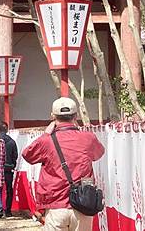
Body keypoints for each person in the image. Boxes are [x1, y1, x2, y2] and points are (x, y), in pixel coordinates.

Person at [22, 97, 105, 231]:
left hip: (56, 204)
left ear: (52, 116)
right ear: (76, 116)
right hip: (83, 202)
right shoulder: (88, 138)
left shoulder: (47, 141)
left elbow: (28, 155)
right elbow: (99, 153)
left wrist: (46, 134)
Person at [0, 121, 18, 218]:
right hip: (8, 167)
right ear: (6, 129)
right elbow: (15, 156)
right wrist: (12, 165)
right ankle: (8, 210)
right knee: (9, 190)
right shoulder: (12, 141)